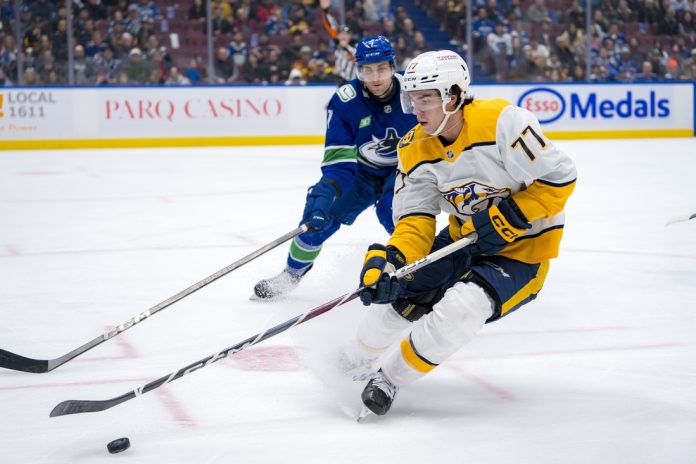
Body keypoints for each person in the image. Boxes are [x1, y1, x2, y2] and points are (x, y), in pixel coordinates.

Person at [346, 50, 577, 416]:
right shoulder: (413, 148)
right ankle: (353, 360)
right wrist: (394, 260)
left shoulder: (502, 122)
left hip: (522, 252)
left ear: (453, 96)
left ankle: (388, 378)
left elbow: (559, 178)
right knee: (403, 292)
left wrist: (512, 215)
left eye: (426, 99)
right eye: (412, 99)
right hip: (462, 239)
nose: (416, 110)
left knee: (463, 308)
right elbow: (416, 219)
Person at [253, 36, 418, 299]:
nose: (375, 77)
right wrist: (324, 194)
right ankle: (291, 275)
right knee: (318, 220)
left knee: (396, 216)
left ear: (393, 66)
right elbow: (338, 163)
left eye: (381, 68)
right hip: (361, 174)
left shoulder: (414, 91)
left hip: (404, 170)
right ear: (358, 70)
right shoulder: (345, 101)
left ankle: (419, 275)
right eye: (367, 70)